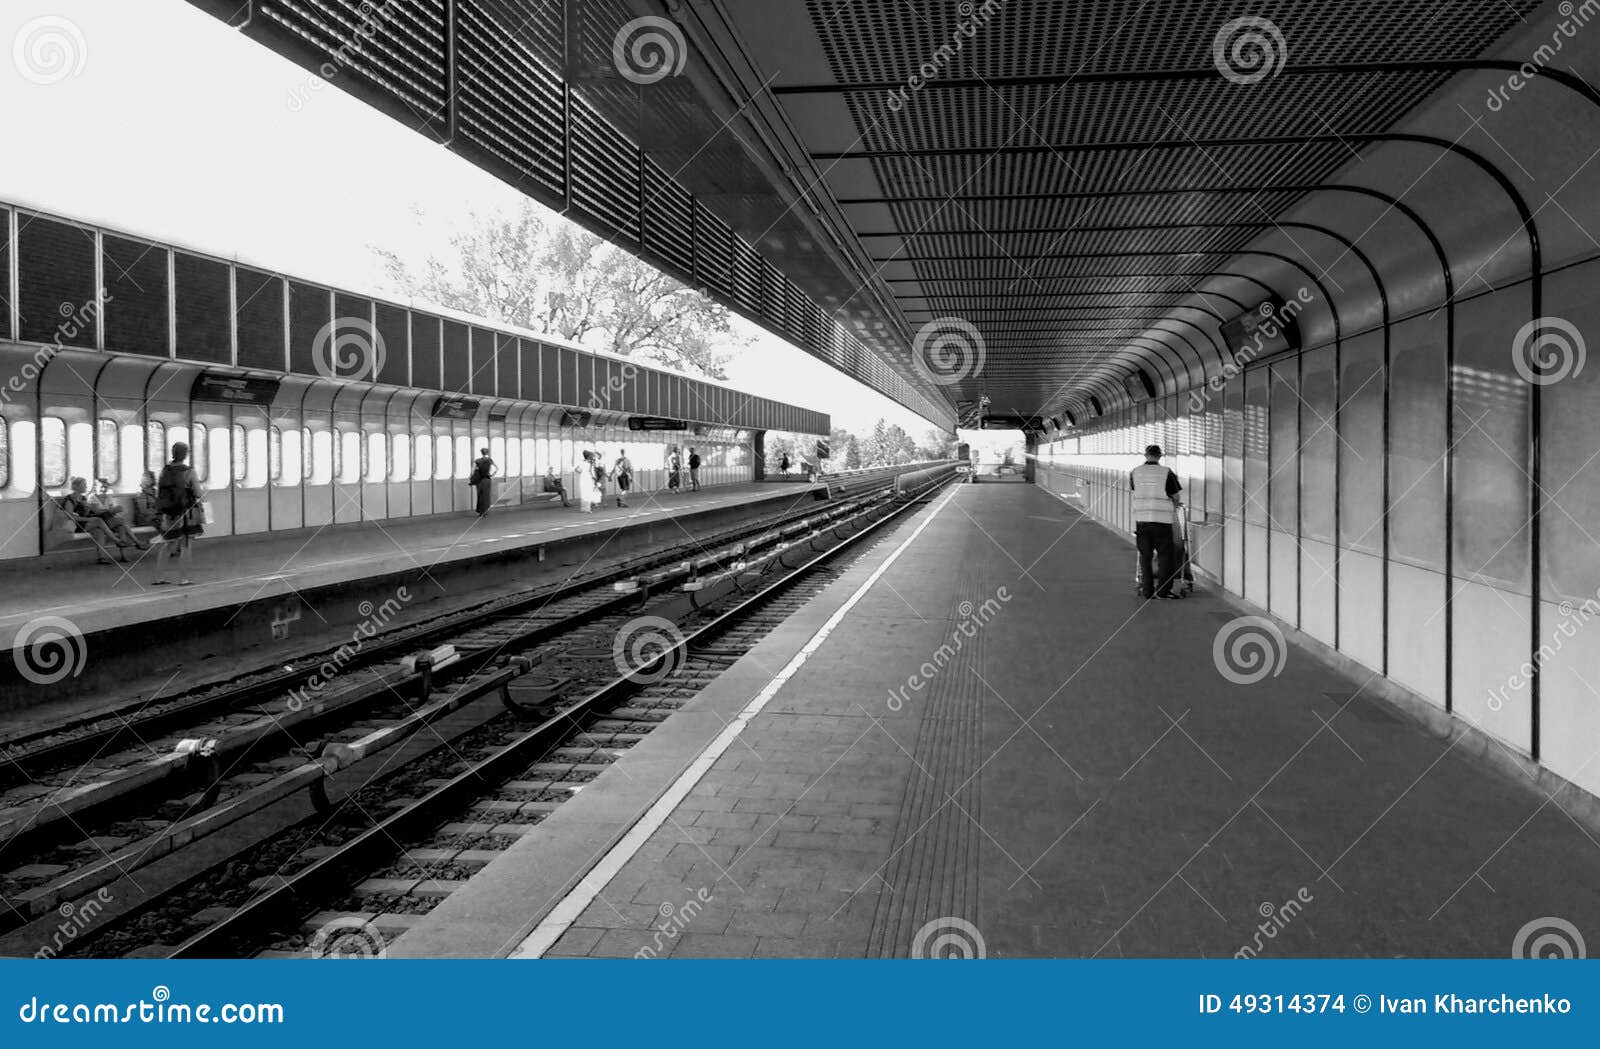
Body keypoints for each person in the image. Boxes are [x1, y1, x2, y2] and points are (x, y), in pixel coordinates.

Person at [1131, 444, 1182, 600]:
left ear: (1146, 455)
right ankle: (1163, 591)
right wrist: (1175, 504)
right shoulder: (1166, 472)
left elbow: (1135, 491)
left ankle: (1147, 591)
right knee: (1165, 556)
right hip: (1162, 521)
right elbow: (1175, 495)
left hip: (1142, 521)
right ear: (1160, 456)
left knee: (1145, 556)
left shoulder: (1135, 472)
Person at [153, 443, 203, 586]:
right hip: (186, 513)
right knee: (186, 545)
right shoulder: (189, 471)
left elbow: (160, 493)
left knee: (168, 544)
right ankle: (184, 578)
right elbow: (198, 493)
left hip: (169, 513)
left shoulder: (165, 471)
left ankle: (159, 578)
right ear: (185, 454)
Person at [58, 477, 126, 564]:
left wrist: (87, 508)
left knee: (99, 531)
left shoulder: (83, 498)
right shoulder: (69, 500)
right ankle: (116, 540)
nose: (86, 487)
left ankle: (101, 557)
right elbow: (71, 517)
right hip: (73, 525)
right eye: (84, 485)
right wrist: (89, 519)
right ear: (77, 487)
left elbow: (85, 514)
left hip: (83, 523)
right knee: (98, 520)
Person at [88, 477, 149, 551]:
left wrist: (113, 511)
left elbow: (109, 512)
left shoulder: (108, 497)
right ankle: (137, 542)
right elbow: (97, 512)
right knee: (121, 521)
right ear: (95, 487)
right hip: (99, 522)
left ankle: (124, 552)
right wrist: (112, 510)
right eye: (102, 487)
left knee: (122, 527)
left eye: (105, 487)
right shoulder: (92, 498)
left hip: (108, 521)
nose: (104, 489)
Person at [469, 447, 496, 516]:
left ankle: (480, 512)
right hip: (487, 479)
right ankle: (485, 512)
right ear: (487, 452)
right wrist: (492, 475)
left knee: (480, 495)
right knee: (486, 496)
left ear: (481, 453)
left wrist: (472, 477)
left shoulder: (477, 461)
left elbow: (472, 471)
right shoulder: (490, 460)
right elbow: (496, 468)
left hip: (479, 480)